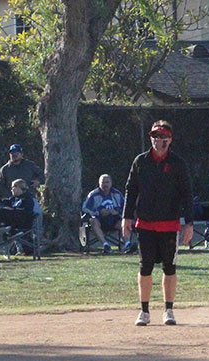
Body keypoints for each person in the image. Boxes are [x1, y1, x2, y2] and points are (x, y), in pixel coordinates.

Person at [122, 120, 194, 327]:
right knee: (145, 267)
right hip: (145, 223)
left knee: (169, 267)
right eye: (154, 136)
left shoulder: (177, 163)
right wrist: (126, 217)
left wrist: (189, 223)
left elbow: (187, 194)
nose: (157, 140)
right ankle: (144, 311)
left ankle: (168, 310)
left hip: (169, 224)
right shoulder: (141, 161)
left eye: (162, 136)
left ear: (169, 139)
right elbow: (131, 189)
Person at [0, 144, 44, 240]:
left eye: (17, 153)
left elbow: (42, 175)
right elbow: (0, 185)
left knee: (38, 214)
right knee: (7, 215)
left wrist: (38, 181)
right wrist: (8, 196)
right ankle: (13, 240)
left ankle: (38, 239)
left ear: (21, 154)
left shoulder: (30, 165)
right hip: (13, 200)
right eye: (12, 153)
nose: (14, 155)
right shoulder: (4, 169)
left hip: (29, 197)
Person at [82, 174, 125, 254]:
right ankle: (106, 245)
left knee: (125, 222)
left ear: (111, 183)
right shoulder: (93, 195)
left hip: (114, 221)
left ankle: (127, 245)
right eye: (103, 182)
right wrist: (99, 212)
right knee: (92, 220)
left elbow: (125, 207)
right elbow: (85, 209)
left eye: (107, 182)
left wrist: (116, 211)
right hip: (99, 221)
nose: (105, 184)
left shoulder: (117, 194)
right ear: (99, 183)